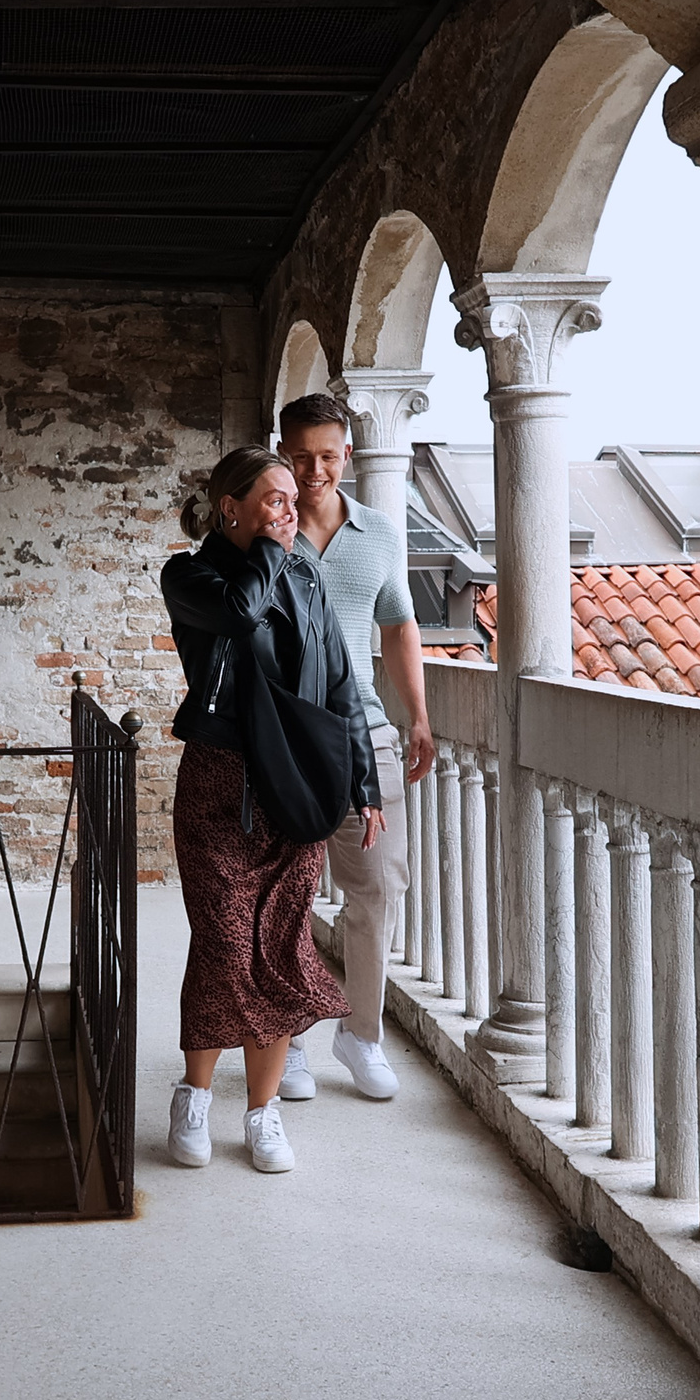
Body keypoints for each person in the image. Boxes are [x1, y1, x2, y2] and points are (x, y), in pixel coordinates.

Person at [160, 447, 384, 1174]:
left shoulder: (306, 575)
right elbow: (238, 611)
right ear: (229, 505)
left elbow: (343, 686)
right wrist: (266, 551)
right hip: (220, 784)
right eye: (273, 499)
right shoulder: (191, 574)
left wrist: (364, 784)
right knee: (225, 942)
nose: (291, 510)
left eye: (294, 499)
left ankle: (262, 1113)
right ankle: (194, 1095)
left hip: (295, 783)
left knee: (280, 945)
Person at [273, 392, 438, 1103]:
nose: (316, 470)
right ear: (284, 453)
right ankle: (293, 1040)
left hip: (364, 734)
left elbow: (399, 624)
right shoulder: (264, 531)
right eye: (302, 456)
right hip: (281, 743)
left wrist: (419, 716)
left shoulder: (377, 533)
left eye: (328, 455)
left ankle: (361, 1034)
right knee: (285, 896)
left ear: (347, 453)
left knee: (376, 890)